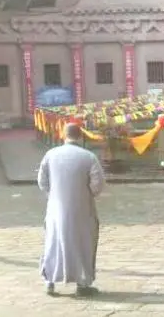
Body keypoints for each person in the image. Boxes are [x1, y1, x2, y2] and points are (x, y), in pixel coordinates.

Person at [38, 123, 106, 297]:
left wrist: (53, 195)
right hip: (81, 209)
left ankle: (49, 282)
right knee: (83, 243)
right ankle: (82, 283)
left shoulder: (50, 155)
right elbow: (97, 185)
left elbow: (42, 181)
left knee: (53, 243)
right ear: (81, 136)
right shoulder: (88, 157)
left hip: (55, 208)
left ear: (63, 135)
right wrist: (85, 194)